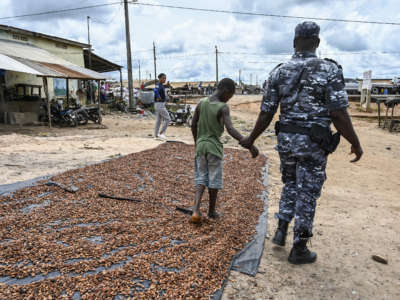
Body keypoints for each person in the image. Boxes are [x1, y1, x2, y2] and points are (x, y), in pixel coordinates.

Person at [240, 21, 363, 264]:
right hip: (312, 143)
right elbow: (338, 113)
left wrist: (251, 138)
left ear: (294, 42)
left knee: (291, 182)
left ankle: (282, 228)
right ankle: (300, 247)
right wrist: (355, 142)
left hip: (286, 141)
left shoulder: (279, 71)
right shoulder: (329, 70)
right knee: (307, 193)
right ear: (317, 42)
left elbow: (266, 112)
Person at [190, 78, 259, 224]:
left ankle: (195, 210)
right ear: (226, 91)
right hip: (214, 148)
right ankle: (211, 211)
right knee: (214, 179)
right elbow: (231, 129)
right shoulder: (222, 107)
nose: (229, 99)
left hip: (201, 147)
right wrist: (250, 145)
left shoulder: (201, 103)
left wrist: (197, 142)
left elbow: (193, 124)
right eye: (230, 96)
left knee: (201, 178)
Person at [154, 73, 171, 139]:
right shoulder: (158, 85)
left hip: (159, 104)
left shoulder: (161, 85)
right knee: (168, 119)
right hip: (159, 104)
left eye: (165, 78)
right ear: (160, 78)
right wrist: (158, 96)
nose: (165, 79)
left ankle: (156, 135)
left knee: (158, 121)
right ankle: (161, 133)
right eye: (163, 78)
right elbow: (155, 90)